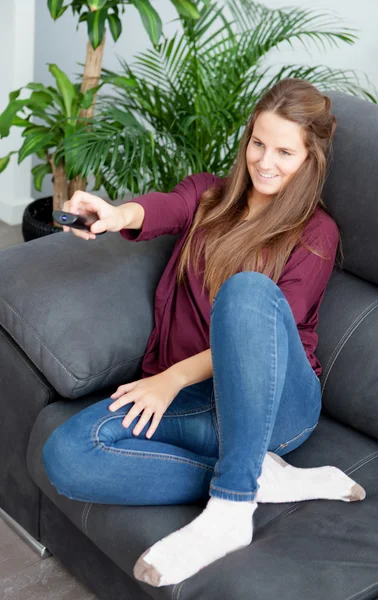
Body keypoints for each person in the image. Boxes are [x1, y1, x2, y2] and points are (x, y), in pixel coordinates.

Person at [42, 78, 365, 588]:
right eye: (258, 143)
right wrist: (114, 214)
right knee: (66, 454)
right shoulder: (208, 197)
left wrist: (168, 378)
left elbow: (259, 337)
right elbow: (157, 209)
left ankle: (232, 504)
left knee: (247, 292)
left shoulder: (315, 233)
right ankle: (256, 474)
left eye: (285, 151)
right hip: (200, 402)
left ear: (310, 159)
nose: (265, 161)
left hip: (279, 406)